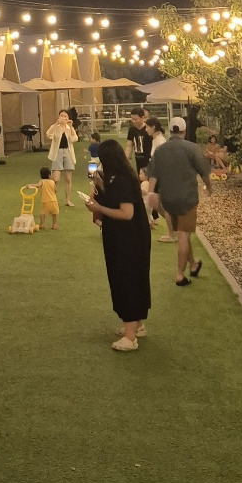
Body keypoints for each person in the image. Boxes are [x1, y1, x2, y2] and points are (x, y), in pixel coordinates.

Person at [86, 139, 151, 351]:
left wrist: (98, 208)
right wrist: (100, 185)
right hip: (127, 237)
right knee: (133, 279)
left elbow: (126, 213)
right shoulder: (121, 176)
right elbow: (117, 199)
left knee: (127, 280)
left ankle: (130, 337)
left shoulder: (122, 179)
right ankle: (136, 325)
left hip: (128, 239)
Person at [147, 119, 212, 286]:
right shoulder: (191, 148)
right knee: (184, 235)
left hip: (167, 199)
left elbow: (152, 174)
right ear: (184, 131)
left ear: (170, 130)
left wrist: (151, 194)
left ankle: (193, 264)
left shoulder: (160, 150)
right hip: (186, 198)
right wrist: (209, 187)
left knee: (183, 232)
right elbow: (204, 172)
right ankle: (179, 275)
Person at [46, 110, 78, 206]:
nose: (63, 118)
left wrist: (71, 127)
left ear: (68, 118)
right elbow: (48, 134)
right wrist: (56, 123)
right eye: (61, 116)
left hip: (68, 152)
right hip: (57, 152)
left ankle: (67, 200)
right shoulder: (56, 127)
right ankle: (52, 198)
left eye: (65, 116)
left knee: (68, 178)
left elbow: (74, 139)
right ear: (58, 117)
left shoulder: (69, 127)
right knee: (55, 179)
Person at [142, 118, 166, 227]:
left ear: (153, 127)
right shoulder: (155, 140)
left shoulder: (160, 140)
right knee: (152, 199)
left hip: (159, 176)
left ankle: (173, 226)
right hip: (155, 174)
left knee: (155, 200)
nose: (146, 129)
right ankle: (149, 220)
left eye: (147, 127)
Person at [23, 166, 59, 230]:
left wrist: (30, 185)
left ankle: (42, 224)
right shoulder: (52, 182)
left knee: (43, 213)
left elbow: (37, 185)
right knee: (54, 213)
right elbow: (56, 190)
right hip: (53, 200)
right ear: (49, 175)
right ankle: (54, 224)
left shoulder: (42, 181)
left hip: (45, 200)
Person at [125, 107, 151, 174]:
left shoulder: (148, 129)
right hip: (138, 158)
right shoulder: (132, 129)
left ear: (142, 118)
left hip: (148, 159)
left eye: (136, 119)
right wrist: (125, 160)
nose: (134, 121)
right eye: (132, 119)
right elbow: (129, 145)